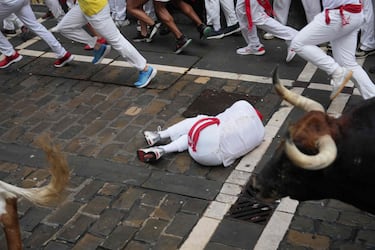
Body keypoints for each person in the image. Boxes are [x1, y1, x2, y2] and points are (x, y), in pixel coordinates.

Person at [53, 0, 157, 88]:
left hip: (96, 10)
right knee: (64, 28)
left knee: (117, 40)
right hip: (84, 6)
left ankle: (145, 69)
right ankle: (98, 47)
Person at [289, 0, 375, 100]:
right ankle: (372, 97)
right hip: (352, 13)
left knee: (298, 43)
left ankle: (336, 71)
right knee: (347, 63)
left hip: (338, 15)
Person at [137, 100, 265, 167]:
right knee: (194, 136)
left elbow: (217, 118)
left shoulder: (241, 107)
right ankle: (161, 149)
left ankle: (159, 136)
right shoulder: (260, 134)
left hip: (205, 147)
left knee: (198, 123)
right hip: (214, 160)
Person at [0, 0, 73, 69]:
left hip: (8, 2)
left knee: (35, 25)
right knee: (36, 26)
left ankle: (10, 54)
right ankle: (62, 53)